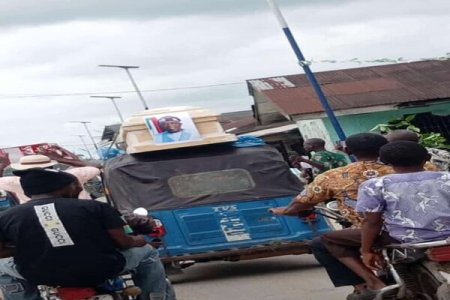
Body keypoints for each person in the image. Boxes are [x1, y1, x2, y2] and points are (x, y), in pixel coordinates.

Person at [0, 168, 175, 300]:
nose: (78, 189)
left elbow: (1, 252)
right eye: (76, 185)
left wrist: (30, 245)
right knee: (149, 254)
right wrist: (139, 241)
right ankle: (155, 296)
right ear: (64, 187)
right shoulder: (94, 207)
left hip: (39, 273)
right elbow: (123, 242)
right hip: (102, 268)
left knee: (2, 269)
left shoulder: (7, 216)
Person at [320, 141, 450, 300]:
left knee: (329, 238)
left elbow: (372, 222)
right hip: (446, 238)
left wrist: (366, 250)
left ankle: (374, 283)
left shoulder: (375, 185)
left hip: (405, 239)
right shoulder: (447, 178)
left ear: (384, 162)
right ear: (428, 158)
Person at [270, 133, 393, 297]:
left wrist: (284, 211)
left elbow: (302, 202)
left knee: (321, 243)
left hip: (378, 229)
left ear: (347, 150)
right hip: (423, 226)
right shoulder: (416, 167)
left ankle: (368, 284)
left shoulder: (332, 176)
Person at [0, 154, 100, 202]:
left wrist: (3, 165)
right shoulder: (73, 175)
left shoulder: (16, 182)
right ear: (51, 165)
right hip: (83, 211)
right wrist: (59, 158)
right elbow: (96, 167)